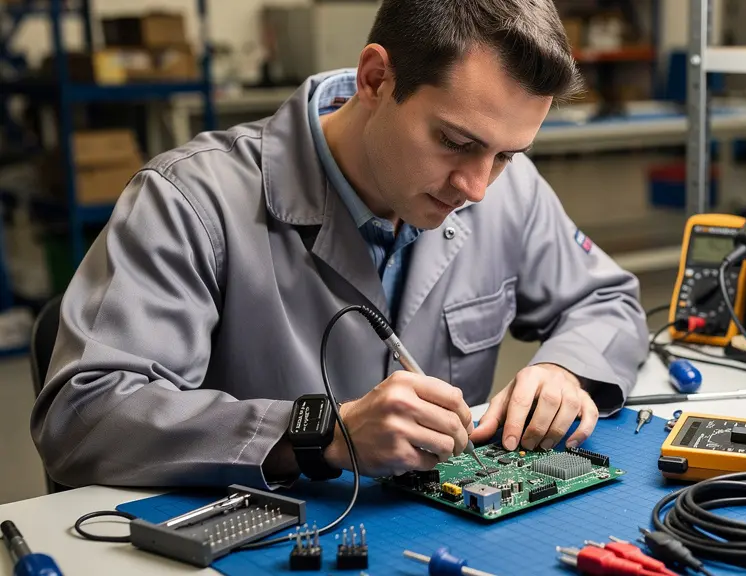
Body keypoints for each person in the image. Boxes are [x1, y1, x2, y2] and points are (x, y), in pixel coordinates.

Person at [31, 0, 647, 489]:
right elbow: (83, 416)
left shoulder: (506, 190)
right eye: (456, 142)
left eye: (507, 155)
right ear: (376, 78)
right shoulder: (192, 200)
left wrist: (564, 369)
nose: (478, 187)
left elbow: (608, 302)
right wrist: (319, 433)